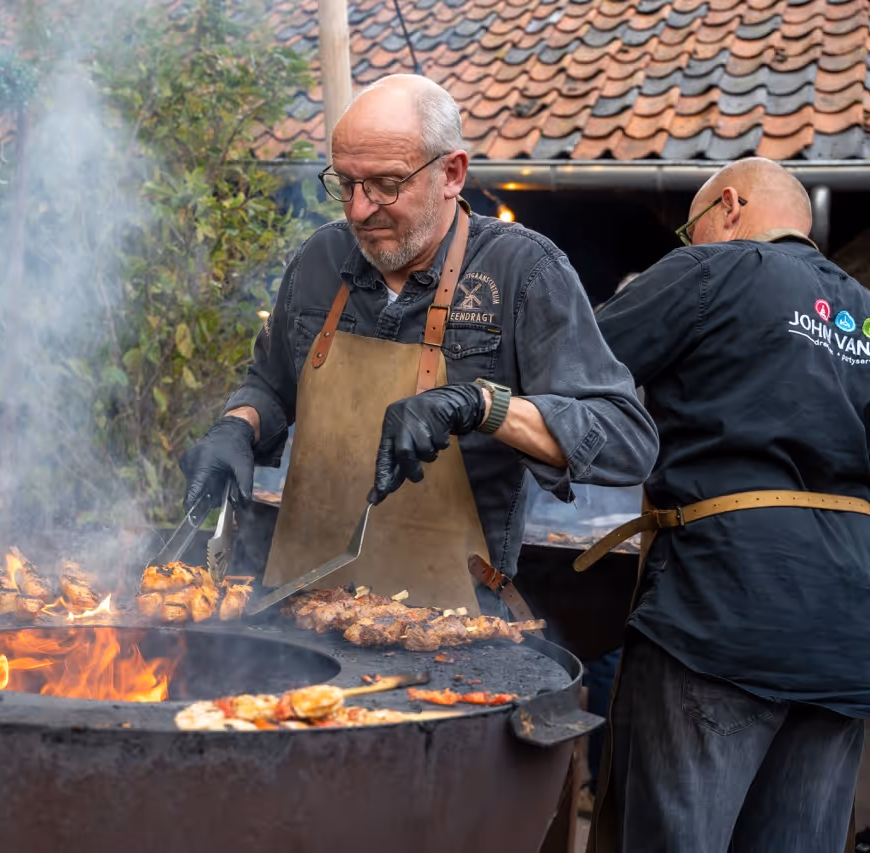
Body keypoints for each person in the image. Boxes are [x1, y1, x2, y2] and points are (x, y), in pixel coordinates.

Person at [180, 73, 657, 613]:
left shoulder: (523, 271)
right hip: (302, 609)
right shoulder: (319, 259)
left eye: (385, 184)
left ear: (451, 173)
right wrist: (237, 426)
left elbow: (625, 442)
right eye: (345, 184)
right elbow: (271, 383)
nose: (358, 210)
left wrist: (480, 405)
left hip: (451, 624)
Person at [587, 157, 870, 853]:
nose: (689, 244)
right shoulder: (865, 313)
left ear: (731, 206)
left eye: (692, 229)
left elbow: (575, 362)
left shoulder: (712, 268)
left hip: (723, 610)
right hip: (848, 632)